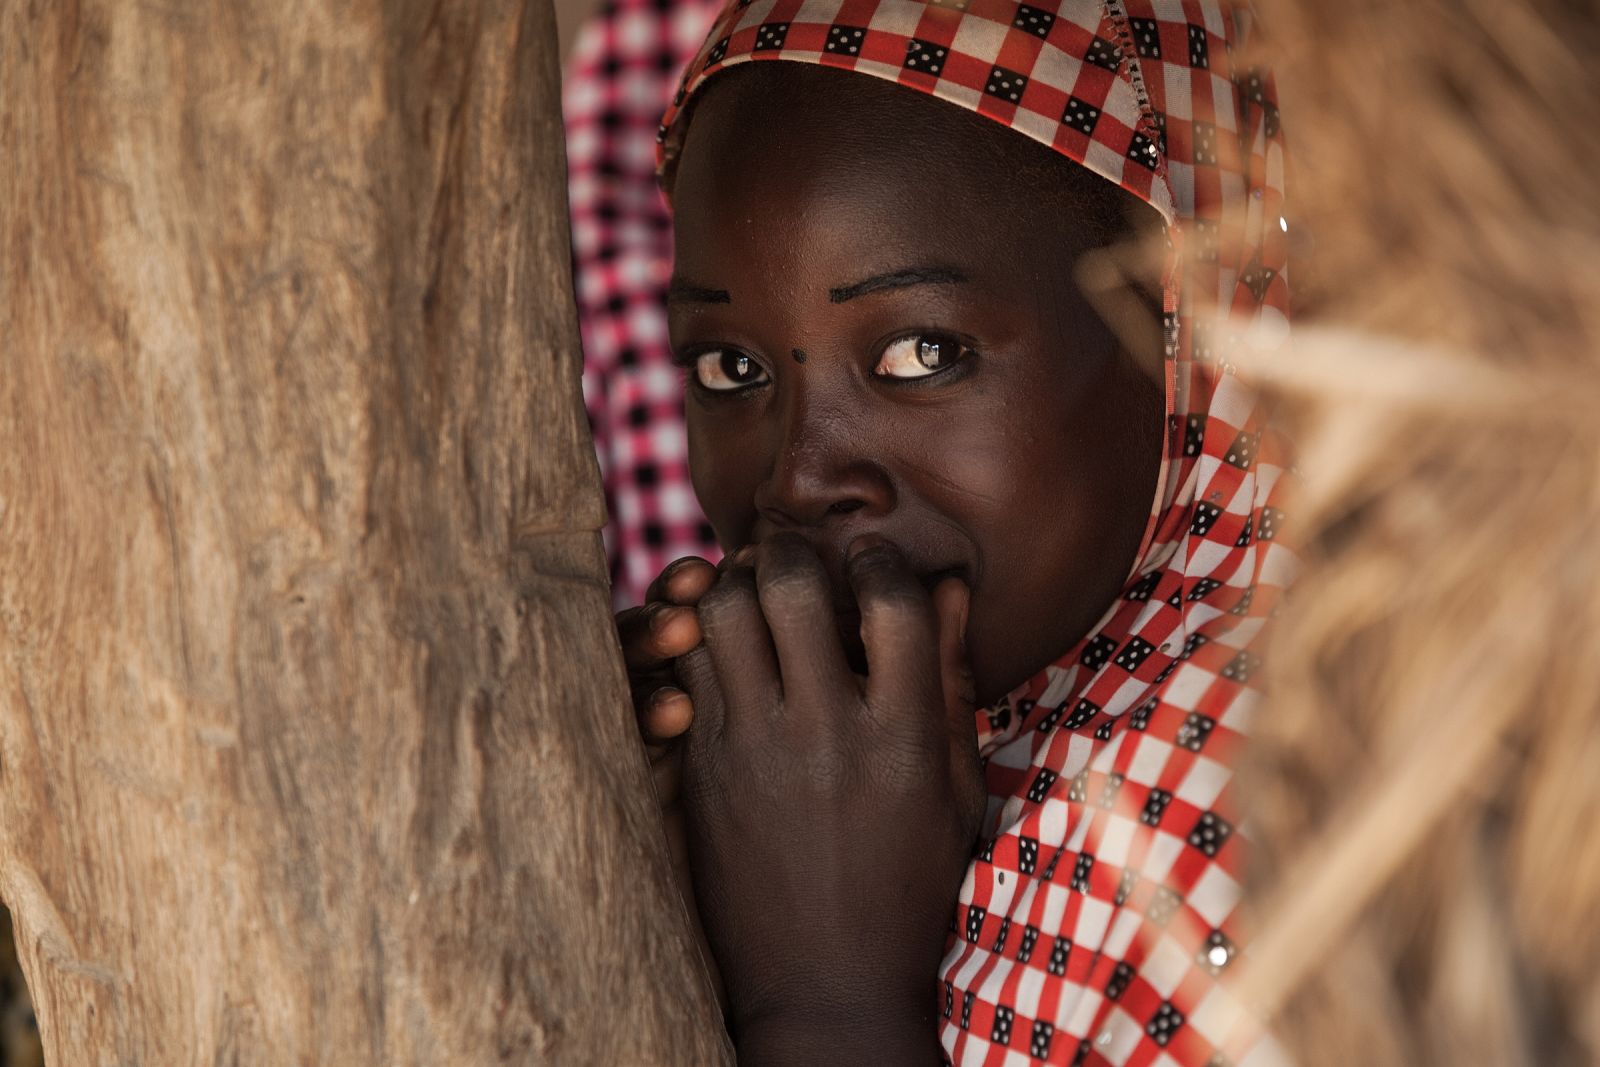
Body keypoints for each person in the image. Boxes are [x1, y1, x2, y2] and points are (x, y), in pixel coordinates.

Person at [617, 1, 1293, 1062]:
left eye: (922, 354)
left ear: (1190, 333)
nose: (799, 477)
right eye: (730, 369)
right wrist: (637, 838)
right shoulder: (971, 738)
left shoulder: (1269, 808)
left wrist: (826, 1001)